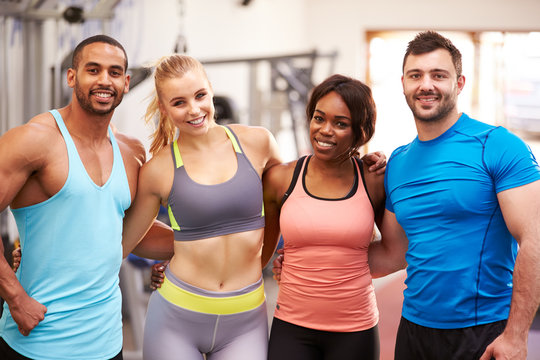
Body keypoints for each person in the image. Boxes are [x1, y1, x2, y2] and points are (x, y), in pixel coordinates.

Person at [384, 31, 540, 360]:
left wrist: (515, 335)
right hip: (413, 331)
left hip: (482, 332)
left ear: (460, 82)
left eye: (438, 75)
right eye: (416, 75)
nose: (426, 84)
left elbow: (535, 238)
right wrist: (308, 260)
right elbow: (393, 253)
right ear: (403, 83)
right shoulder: (396, 163)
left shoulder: (497, 145)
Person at [0, 35, 145, 359]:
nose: (104, 80)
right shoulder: (34, 140)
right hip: (38, 341)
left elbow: (127, 233)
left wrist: (183, 257)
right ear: (71, 77)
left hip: (107, 343)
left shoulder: (131, 152)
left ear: (126, 81)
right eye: (93, 70)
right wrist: (16, 298)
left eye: (114, 71)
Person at [261, 74, 406, 360]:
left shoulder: (374, 180)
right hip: (292, 326)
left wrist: (336, 268)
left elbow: (396, 253)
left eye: (340, 123)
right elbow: (256, 254)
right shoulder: (280, 179)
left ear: (360, 131)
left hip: (355, 329)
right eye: (319, 118)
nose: (325, 130)